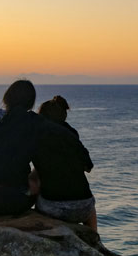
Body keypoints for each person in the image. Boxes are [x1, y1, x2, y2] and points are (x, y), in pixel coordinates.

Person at [0, 80, 90, 216]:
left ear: (6, 98)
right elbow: (62, 132)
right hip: (18, 201)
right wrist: (84, 157)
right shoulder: (33, 122)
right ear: (31, 103)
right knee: (36, 182)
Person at [31, 96, 97, 231]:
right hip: (84, 207)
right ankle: (95, 238)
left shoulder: (37, 135)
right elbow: (88, 167)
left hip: (52, 209)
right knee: (90, 208)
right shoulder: (71, 134)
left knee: (34, 177)